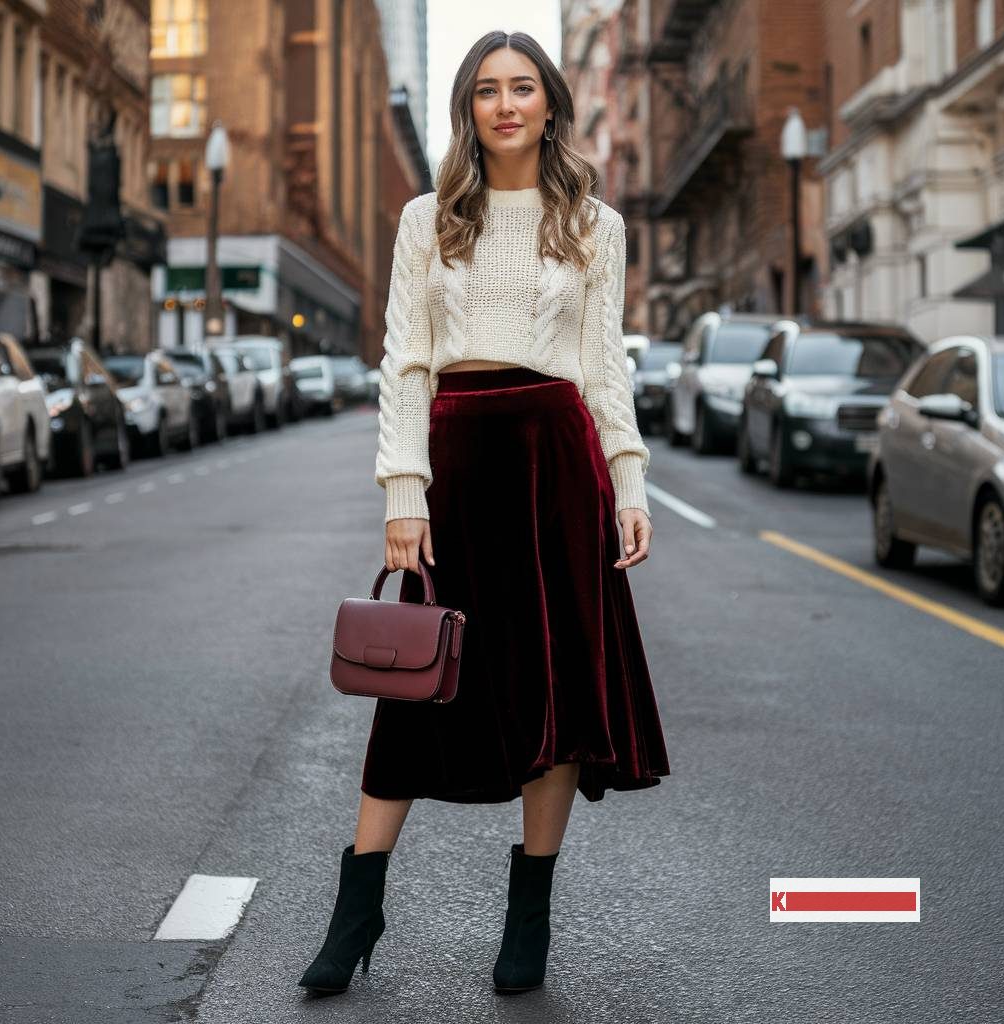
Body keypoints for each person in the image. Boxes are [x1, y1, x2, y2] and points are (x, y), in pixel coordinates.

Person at [298, 29, 670, 998]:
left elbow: (604, 366)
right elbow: (405, 363)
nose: (506, 104)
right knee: (417, 690)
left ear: (549, 104)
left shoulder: (593, 223)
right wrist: (401, 490)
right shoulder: (428, 219)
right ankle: (358, 905)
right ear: (466, 109)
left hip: (556, 462)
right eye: (486, 91)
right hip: (456, 464)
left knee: (555, 690)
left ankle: (529, 913)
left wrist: (628, 483)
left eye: (523, 88)